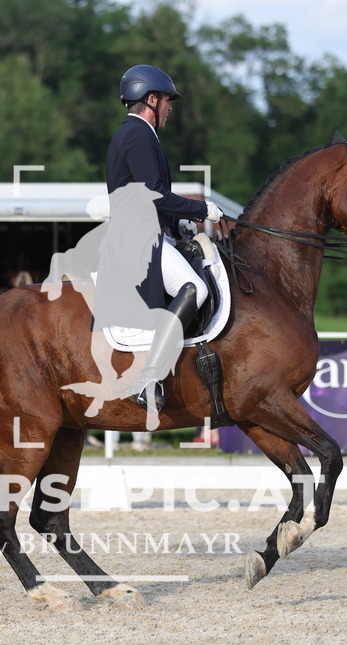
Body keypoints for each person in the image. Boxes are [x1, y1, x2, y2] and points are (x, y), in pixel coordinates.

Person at [105, 64, 224, 413]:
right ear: (152, 100)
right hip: (138, 239)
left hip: (147, 233)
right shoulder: (138, 134)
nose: (170, 108)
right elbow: (154, 194)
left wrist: (179, 225)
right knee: (195, 289)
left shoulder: (135, 133)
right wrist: (199, 210)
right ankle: (148, 378)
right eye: (167, 101)